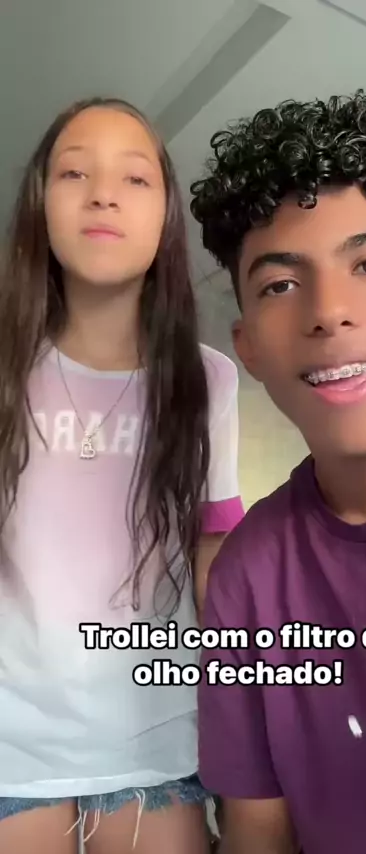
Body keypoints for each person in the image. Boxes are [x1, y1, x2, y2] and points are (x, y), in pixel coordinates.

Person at [189, 91, 366, 854]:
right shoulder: (248, 578)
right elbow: (257, 835)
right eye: (281, 285)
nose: (328, 311)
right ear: (248, 347)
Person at [0, 97, 243, 854]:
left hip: (155, 739)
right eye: (75, 173)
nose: (103, 194)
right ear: (40, 202)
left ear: (165, 215)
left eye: (135, 179)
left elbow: (213, 550)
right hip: (12, 743)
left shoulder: (208, 379)